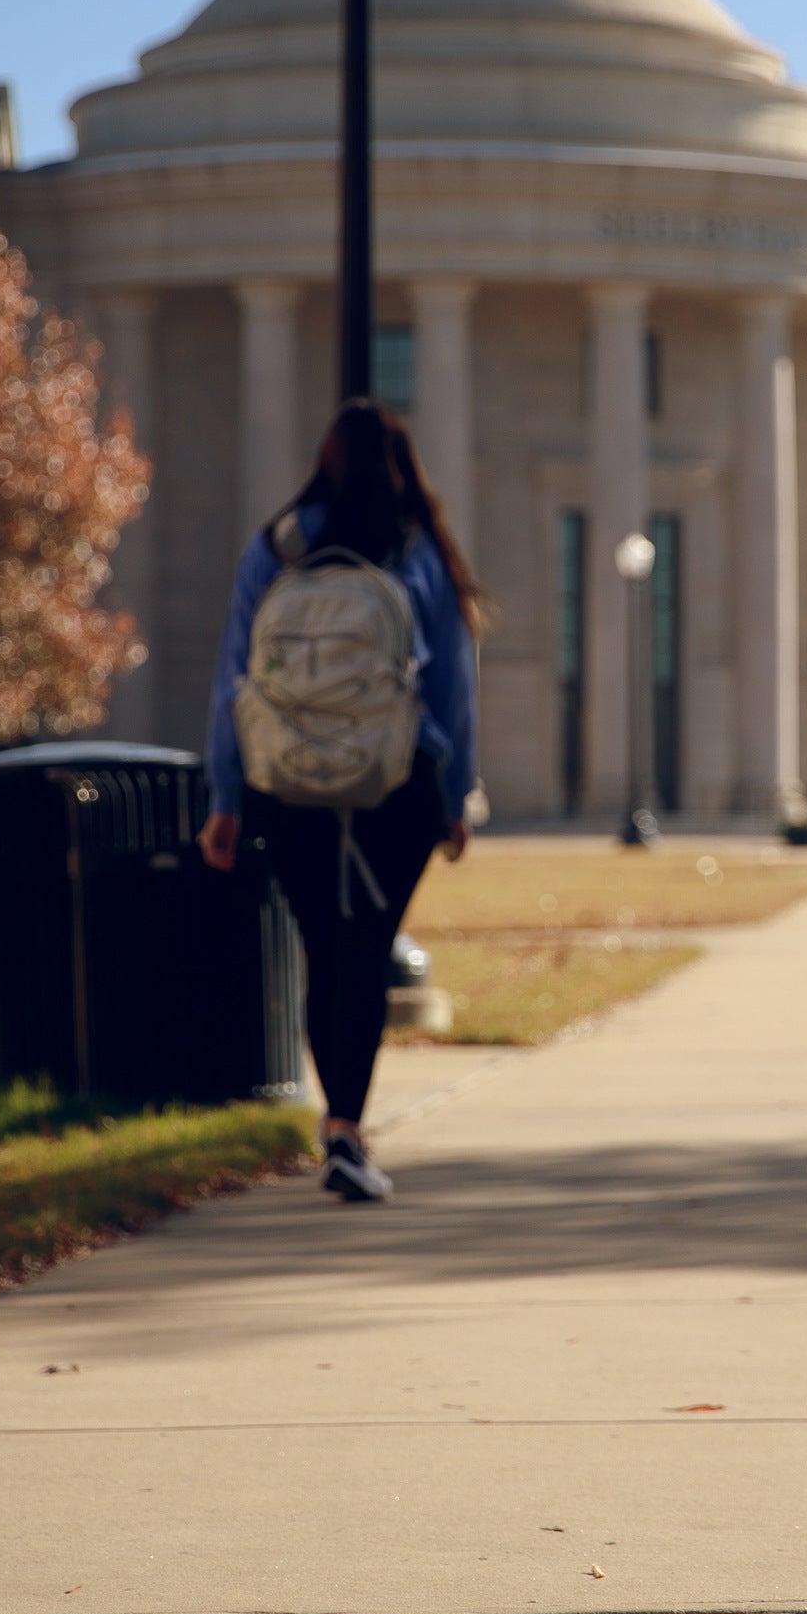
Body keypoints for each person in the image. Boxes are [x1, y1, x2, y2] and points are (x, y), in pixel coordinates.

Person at [200, 402, 483, 1203]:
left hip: (286, 782)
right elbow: (454, 688)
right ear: (403, 464)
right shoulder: (420, 550)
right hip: (398, 782)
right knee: (367, 947)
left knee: (324, 948)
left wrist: (226, 794)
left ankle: (338, 1124)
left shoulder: (276, 546)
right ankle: (348, 1129)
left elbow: (234, 675)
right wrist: (457, 792)